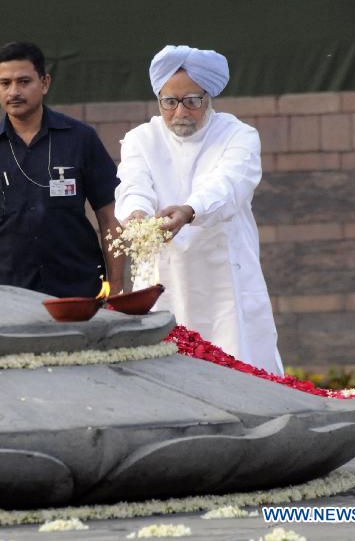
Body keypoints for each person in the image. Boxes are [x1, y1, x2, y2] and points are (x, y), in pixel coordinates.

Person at [114, 44, 282, 375]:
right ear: (159, 100)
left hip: (224, 274)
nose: (180, 112)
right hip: (163, 274)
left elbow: (228, 184)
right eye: (170, 102)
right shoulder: (140, 139)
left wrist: (190, 210)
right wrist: (136, 214)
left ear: (209, 98)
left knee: (236, 359)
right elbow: (133, 185)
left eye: (192, 101)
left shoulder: (238, 136)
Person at [0, 41, 123, 297]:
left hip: (77, 289)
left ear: (44, 83)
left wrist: (117, 287)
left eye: (24, 81)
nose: (14, 92)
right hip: (5, 292)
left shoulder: (81, 138)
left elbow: (109, 219)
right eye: (5, 83)